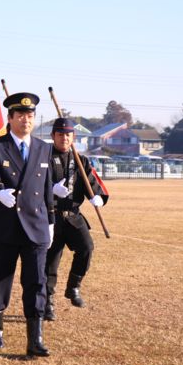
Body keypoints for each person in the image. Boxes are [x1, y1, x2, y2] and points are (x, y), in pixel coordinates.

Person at [0, 92, 55, 358]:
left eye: (30, 115)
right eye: (20, 115)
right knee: (1, 279)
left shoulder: (43, 147)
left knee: (36, 282)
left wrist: (51, 221)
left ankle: (35, 339)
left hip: (36, 225)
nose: (26, 120)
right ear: (9, 118)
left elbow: (46, 189)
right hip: (6, 224)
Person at [44, 118, 109, 322]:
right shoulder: (42, 157)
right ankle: (47, 303)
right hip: (50, 216)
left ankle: (73, 287)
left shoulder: (81, 160)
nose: (64, 138)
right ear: (53, 136)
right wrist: (51, 190)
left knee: (86, 248)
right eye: (60, 134)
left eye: (68, 135)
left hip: (73, 216)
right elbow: (33, 183)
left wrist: (96, 196)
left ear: (74, 137)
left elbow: (92, 182)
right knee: (50, 263)